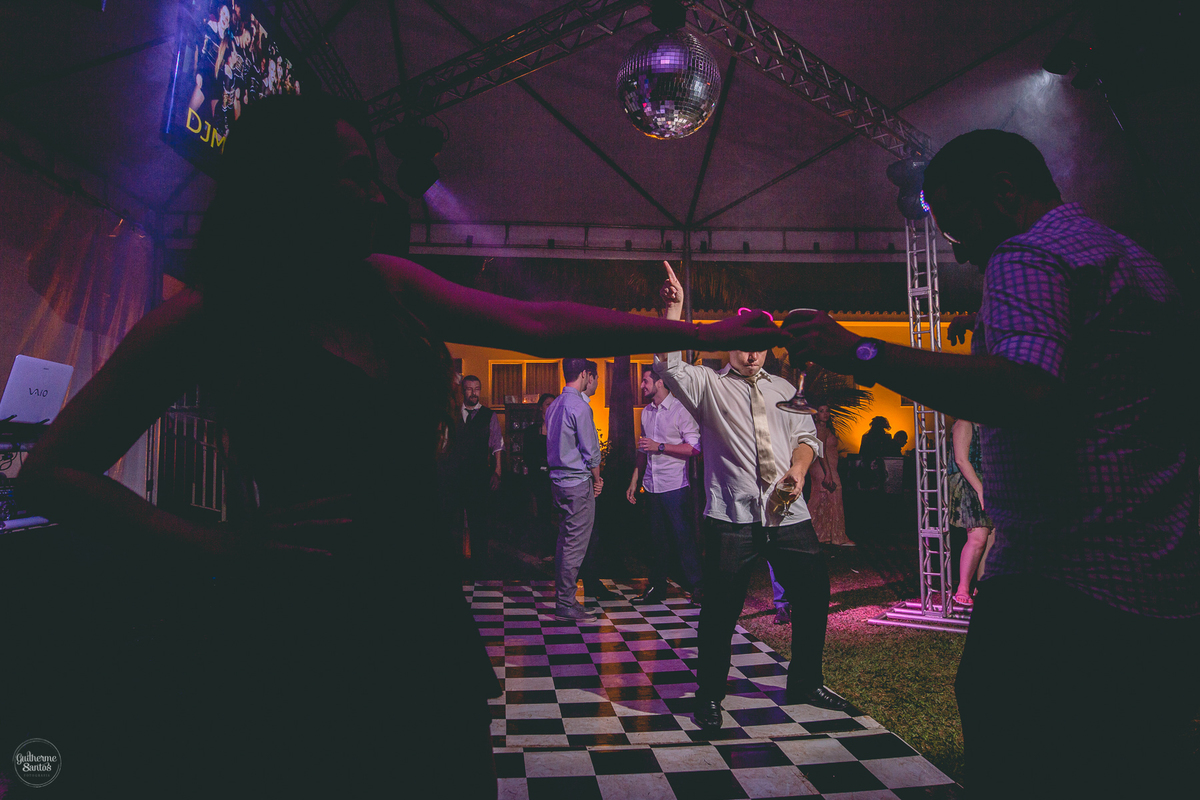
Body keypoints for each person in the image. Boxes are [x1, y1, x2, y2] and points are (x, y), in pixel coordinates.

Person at [4, 94, 784, 798]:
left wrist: (702, 333)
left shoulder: (384, 283)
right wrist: (219, 548)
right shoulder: (219, 310)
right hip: (307, 623)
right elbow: (53, 473)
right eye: (353, 174)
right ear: (289, 185)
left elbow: (539, 322)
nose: (378, 193)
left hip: (420, 606)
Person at [782, 129, 1198, 799]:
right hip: (1162, 584)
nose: (966, 253)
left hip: (1062, 584)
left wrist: (858, 351)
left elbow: (1023, 387)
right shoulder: (1137, 261)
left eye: (959, 226)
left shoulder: (1028, 251)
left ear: (1004, 192)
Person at [654, 264, 851, 731]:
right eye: (744, 346)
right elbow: (669, 364)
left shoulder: (785, 390)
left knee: (814, 594)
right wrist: (674, 308)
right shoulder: (709, 387)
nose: (752, 354)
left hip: (788, 515)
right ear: (729, 345)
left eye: (760, 346)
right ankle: (709, 696)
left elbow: (808, 439)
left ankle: (805, 681)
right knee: (721, 612)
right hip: (733, 518)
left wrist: (798, 474)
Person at [625, 365, 702, 604]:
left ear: (660, 383)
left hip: (675, 486)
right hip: (651, 485)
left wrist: (660, 446)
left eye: (645, 380)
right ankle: (657, 588)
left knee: (682, 538)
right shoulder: (646, 412)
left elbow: (694, 447)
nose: (642, 385)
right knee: (656, 540)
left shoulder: (681, 411)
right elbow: (643, 449)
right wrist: (634, 480)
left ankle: (698, 588)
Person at [546, 358, 606, 623]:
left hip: (557, 482)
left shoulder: (555, 405)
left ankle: (564, 599)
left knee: (564, 542)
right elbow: (591, 450)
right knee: (574, 545)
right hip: (576, 483)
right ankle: (566, 603)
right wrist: (598, 478)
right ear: (584, 374)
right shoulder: (579, 406)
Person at [448, 374, 503, 573]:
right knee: (454, 521)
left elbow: (497, 445)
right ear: (463, 391)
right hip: (455, 476)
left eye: (477, 388)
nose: (474, 392)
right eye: (470, 389)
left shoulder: (488, 415)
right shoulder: (453, 414)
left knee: (479, 520)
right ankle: (454, 563)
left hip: (479, 475)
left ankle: (481, 565)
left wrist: (497, 472)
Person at [947, 418, 992, 607]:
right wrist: (980, 489)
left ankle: (982, 587)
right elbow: (961, 460)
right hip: (967, 482)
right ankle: (963, 588)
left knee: (991, 537)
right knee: (978, 536)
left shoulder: (990, 426)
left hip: (988, 481)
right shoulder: (964, 423)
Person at [811, 404, 853, 546]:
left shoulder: (824, 428)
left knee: (822, 498)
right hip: (824, 468)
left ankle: (820, 534)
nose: (825, 414)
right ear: (815, 415)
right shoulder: (821, 429)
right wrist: (828, 473)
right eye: (821, 411)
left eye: (827, 411)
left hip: (826, 467)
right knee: (832, 495)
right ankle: (837, 536)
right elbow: (821, 451)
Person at [521, 392, 557, 559]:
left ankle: (557, 550)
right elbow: (527, 455)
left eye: (553, 404)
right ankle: (542, 549)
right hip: (538, 478)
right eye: (547, 404)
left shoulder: (560, 430)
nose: (550, 407)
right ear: (541, 407)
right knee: (540, 514)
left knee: (556, 515)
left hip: (556, 477)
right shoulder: (531, 431)